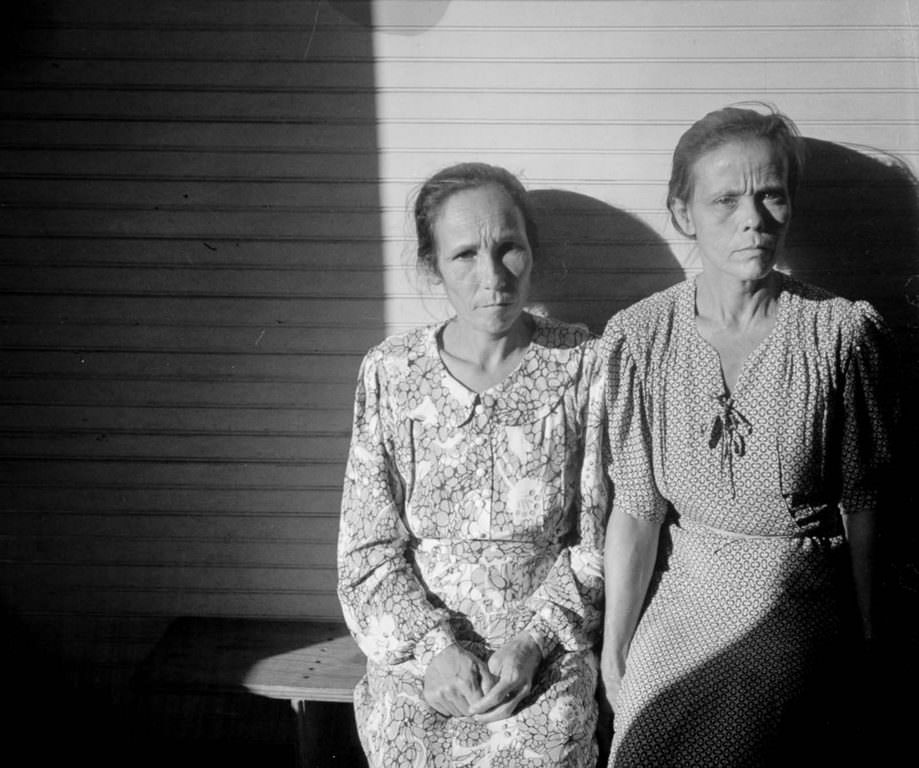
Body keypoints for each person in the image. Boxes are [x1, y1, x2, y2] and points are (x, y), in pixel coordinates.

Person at [599, 105, 898, 766]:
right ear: (682, 214)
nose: (752, 220)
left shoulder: (837, 333)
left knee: (747, 726)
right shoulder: (640, 337)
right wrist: (616, 649)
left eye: (770, 195)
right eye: (725, 200)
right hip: (687, 590)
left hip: (793, 590)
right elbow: (637, 511)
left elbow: (865, 506)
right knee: (639, 734)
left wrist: (870, 640)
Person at [337, 162, 610, 767]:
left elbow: (599, 539)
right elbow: (367, 549)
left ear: (531, 251)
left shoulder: (583, 365)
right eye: (464, 255)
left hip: (543, 648)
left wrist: (534, 642)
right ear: (433, 265)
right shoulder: (392, 373)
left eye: (508, 248)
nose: (492, 277)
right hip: (422, 658)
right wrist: (434, 650)